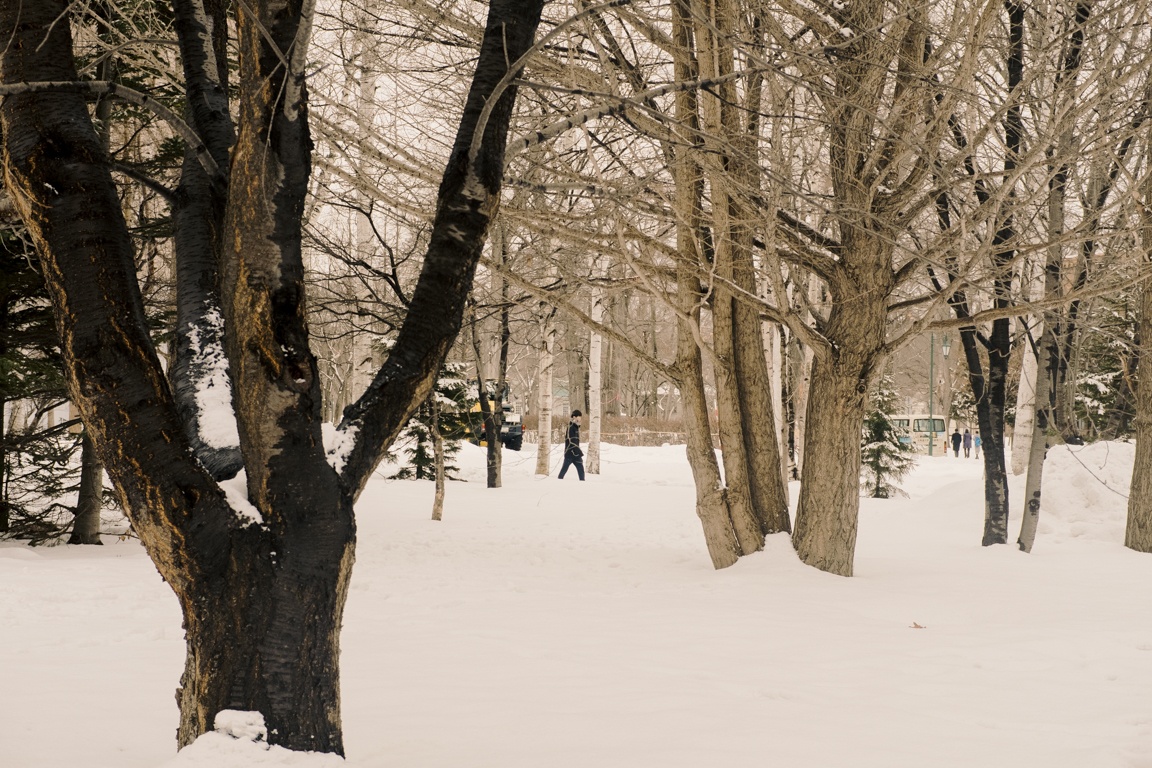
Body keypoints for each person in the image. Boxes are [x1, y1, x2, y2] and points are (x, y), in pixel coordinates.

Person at [558, 409, 585, 481]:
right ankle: (558, 481)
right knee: (564, 469)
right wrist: (578, 451)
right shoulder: (571, 427)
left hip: (576, 454)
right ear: (574, 417)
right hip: (570, 453)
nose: (580, 418)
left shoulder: (576, 427)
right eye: (579, 417)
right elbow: (572, 441)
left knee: (581, 470)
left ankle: (583, 483)